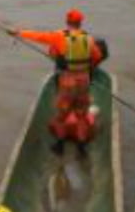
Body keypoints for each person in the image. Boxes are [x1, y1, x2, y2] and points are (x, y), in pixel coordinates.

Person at [9, 9, 107, 155]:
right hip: (83, 81)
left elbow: (38, 36)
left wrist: (18, 33)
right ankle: (81, 147)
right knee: (82, 116)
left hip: (67, 82)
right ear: (80, 23)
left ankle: (59, 145)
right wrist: (86, 68)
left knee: (61, 116)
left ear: (67, 21)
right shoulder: (89, 39)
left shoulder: (59, 36)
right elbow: (97, 57)